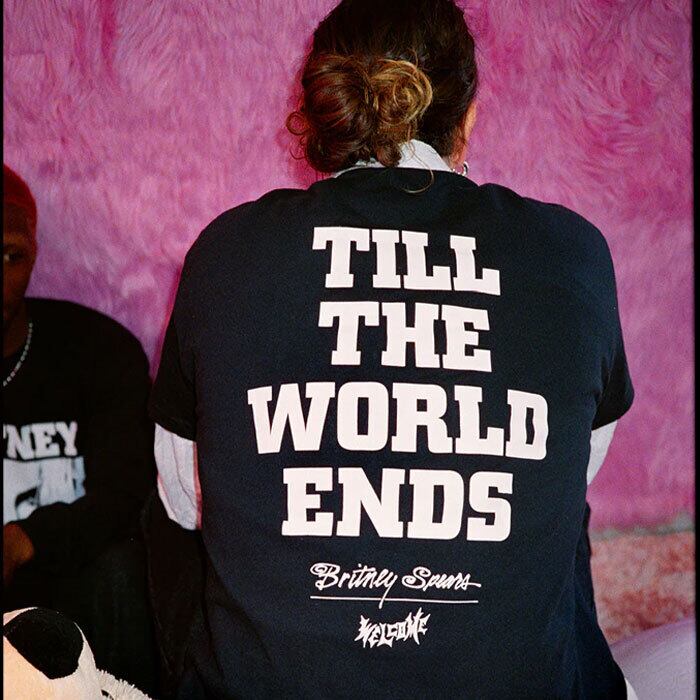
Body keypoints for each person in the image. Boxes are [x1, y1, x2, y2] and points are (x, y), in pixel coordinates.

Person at [150, 0, 635, 696]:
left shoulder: (227, 252)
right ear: (467, 117)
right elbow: (574, 467)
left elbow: (182, 500)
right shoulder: (571, 254)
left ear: (326, 111)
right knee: (558, 511)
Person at [3, 164, 158, 695]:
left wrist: (24, 541)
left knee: (122, 568)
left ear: (34, 252)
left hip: (70, 588)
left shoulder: (97, 350)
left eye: (10, 256)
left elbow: (125, 494)